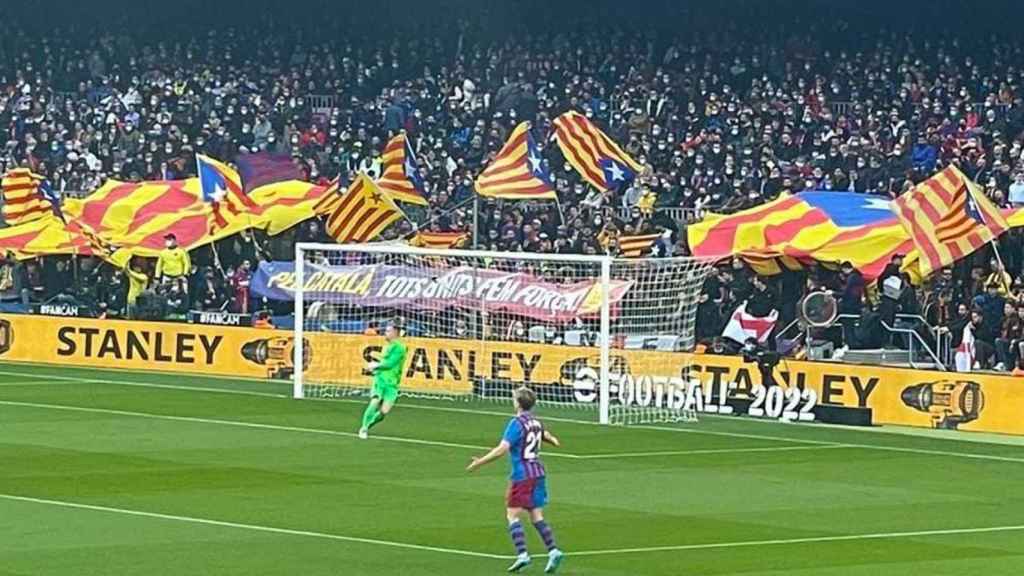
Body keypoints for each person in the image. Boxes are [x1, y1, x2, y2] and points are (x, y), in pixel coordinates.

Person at [466, 387, 564, 574]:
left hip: (523, 475)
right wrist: (553, 441)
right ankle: (553, 550)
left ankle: (523, 554)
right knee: (536, 515)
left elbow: (502, 449)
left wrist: (480, 462)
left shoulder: (516, 424)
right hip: (538, 472)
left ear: (518, 403)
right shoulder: (536, 422)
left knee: (512, 514)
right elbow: (548, 436)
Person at [358, 322, 407, 439]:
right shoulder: (388, 346)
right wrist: (377, 368)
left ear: (395, 332)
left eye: (388, 331)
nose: (385, 333)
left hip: (392, 383)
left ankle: (368, 425)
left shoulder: (400, 348)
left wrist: (375, 365)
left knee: (384, 412)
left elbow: (390, 364)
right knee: (375, 401)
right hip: (380, 379)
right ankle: (363, 428)